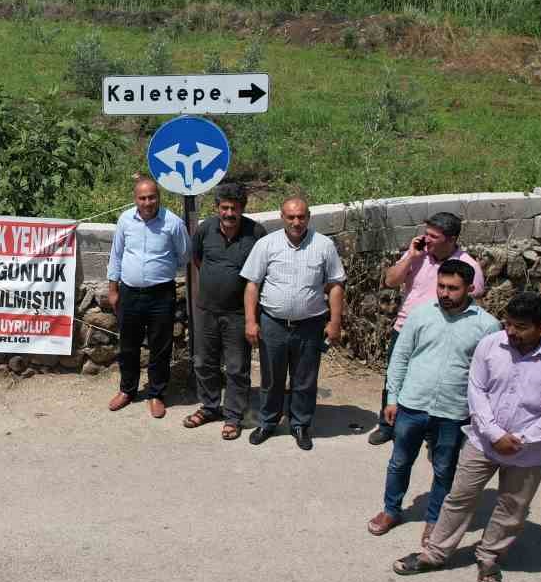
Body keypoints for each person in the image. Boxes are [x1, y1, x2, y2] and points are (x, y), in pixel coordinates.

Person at [392, 292, 541, 582]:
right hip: (482, 441)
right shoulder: (491, 345)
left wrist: (521, 439)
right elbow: (477, 392)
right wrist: (494, 434)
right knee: (459, 498)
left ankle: (490, 557)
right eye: (509, 324)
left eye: (521, 326)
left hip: (529, 451)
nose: (512, 332)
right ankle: (435, 553)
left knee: (513, 507)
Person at [368, 260, 501, 542]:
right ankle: (391, 510)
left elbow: (491, 376)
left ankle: (434, 519)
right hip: (412, 404)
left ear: (471, 288)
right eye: (441, 286)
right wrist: (392, 398)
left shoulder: (487, 326)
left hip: (453, 411)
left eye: (453, 288)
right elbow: (400, 357)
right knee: (399, 462)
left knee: (444, 469)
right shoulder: (419, 314)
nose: (444, 293)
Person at [369, 212, 487, 446]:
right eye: (426, 233)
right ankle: (387, 425)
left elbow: (472, 302)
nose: (426, 239)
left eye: (434, 236)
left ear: (451, 239)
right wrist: (411, 257)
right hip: (404, 328)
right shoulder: (418, 255)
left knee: (434, 381)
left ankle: (431, 432)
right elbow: (390, 281)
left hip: (440, 334)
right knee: (395, 377)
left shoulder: (468, 266)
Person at [240, 197, 345, 451]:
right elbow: (252, 284)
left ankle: (300, 424)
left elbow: (335, 284)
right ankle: (268, 421)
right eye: (291, 217)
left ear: (308, 217)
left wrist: (335, 321)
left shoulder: (324, 245)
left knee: (305, 379)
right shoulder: (266, 245)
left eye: (301, 217)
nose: (296, 222)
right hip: (273, 323)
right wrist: (251, 321)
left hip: (310, 325)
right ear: (282, 217)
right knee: (272, 378)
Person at [103, 177, 190, 420]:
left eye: (152, 197)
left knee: (160, 347)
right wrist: (113, 289)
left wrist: (161, 269)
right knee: (128, 346)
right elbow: (116, 255)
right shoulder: (125, 220)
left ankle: (156, 394)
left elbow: (184, 255)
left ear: (158, 197)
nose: (147, 202)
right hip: (129, 293)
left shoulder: (173, 223)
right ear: (135, 199)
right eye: (142, 198)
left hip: (161, 294)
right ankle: (127, 390)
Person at [185, 182, 263, 438]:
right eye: (225, 208)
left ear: (243, 209)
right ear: (217, 208)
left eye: (235, 209)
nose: (229, 214)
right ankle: (209, 407)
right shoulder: (205, 229)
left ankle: (233, 416)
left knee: (236, 367)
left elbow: (263, 271)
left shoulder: (256, 233)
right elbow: (197, 260)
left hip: (239, 314)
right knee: (204, 363)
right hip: (206, 311)